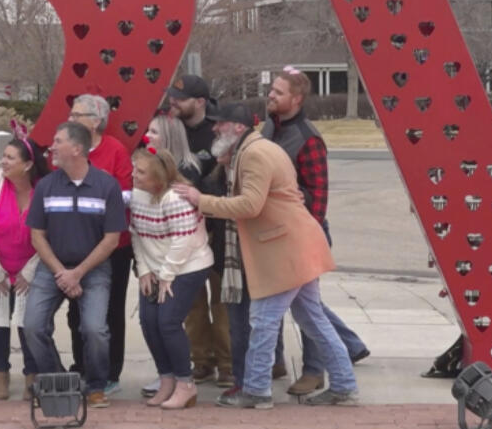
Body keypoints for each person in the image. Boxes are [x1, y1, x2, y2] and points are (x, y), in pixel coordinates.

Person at [173, 101, 358, 408]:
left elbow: (250, 205)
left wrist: (199, 199)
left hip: (285, 249)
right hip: (294, 247)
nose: (215, 128)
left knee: (263, 319)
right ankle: (344, 385)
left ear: (238, 128)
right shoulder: (254, 149)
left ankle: (257, 391)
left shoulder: (255, 154)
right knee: (312, 319)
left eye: (221, 124)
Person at [263, 67, 370, 397]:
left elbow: (318, 200)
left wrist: (290, 204)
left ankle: (314, 372)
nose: (270, 95)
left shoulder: (308, 139)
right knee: (290, 304)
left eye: (278, 93)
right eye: (272, 90)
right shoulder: (269, 127)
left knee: (307, 309)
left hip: (302, 235)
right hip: (274, 233)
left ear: (295, 99)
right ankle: (276, 361)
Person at [23, 121, 127, 408]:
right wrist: (61, 272)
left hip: (93, 270)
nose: (52, 147)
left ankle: (95, 385)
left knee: (94, 330)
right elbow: (36, 235)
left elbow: (111, 239)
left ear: (77, 148)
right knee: (32, 326)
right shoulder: (46, 186)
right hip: (52, 267)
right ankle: (59, 382)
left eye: (58, 141)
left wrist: (78, 273)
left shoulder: (107, 186)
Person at [129, 146, 214, 409]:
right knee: (148, 321)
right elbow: (136, 235)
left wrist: (166, 275)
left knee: (168, 322)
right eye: (134, 168)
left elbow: (183, 240)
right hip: (156, 268)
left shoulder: (174, 198)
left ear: (158, 177)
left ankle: (185, 384)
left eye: (141, 172)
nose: (134, 175)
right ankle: (166, 378)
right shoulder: (137, 195)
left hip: (187, 266)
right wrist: (143, 270)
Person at [0, 134, 49, 400]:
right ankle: (0, 372)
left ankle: (32, 374)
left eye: (10, 158)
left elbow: (53, 234)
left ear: (27, 165)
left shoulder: (44, 190)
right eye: (3, 156)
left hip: (32, 269)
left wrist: (30, 270)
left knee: (30, 323)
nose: (3, 161)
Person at [167, 75, 235, 388]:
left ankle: (227, 364)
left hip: (218, 227)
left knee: (221, 299)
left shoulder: (218, 129)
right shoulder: (172, 129)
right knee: (191, 302)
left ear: (200, 102)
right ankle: (201, 361)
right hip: (183, 228)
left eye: (180, 98)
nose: (174, 103)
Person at [64, 95, 133, 395]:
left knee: (110, 312)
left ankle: (109, 373)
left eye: (77, 114)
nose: (71, 118)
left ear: (95, 120)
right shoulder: (69, 148)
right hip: (75, 244)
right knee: (75, 312)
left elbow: (127, 193)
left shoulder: (115, 150)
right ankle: (81, 367)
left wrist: (99, 188)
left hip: (113, 245)